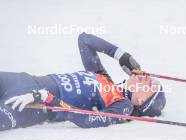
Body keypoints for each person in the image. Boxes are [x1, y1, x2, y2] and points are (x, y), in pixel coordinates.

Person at [0, 33, 166, 131]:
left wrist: (47, 98)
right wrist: (122, 56)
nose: (147, 77)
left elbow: (87, 120)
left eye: (150, 85)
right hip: (22, 80)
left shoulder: (123, 106)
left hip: (34, 106)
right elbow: (84, 40)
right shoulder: (103, 77)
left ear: (141, 101)